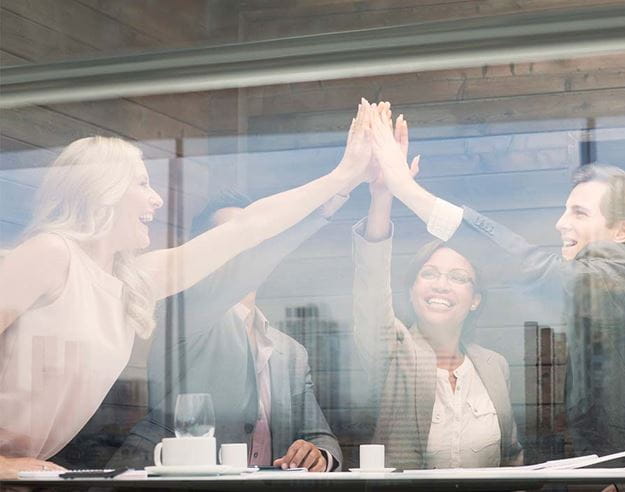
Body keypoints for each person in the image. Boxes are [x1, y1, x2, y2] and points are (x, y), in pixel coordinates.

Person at [0, 100, 373, 477]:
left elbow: (249, 228)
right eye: (142, 183)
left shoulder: (134, 281)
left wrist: (343, 178)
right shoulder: (50, 253)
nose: (156, 199)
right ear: (103, 189)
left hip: (31, 473)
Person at [368, 110, 625, 466]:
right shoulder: (614, 285)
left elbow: (529, 267)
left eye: (579, 213)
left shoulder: (623, 273)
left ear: (621, 232)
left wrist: (405, 189)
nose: (560, 223)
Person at [109, 191, 342, 472]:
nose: (240, 249)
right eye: (229, 240)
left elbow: (321, 438)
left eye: (250, 239)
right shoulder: (185, 315)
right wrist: (320, 211)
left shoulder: (291, 353)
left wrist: (317, 454)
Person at [353, 103, 523, 470]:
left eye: (458, 277)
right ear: (412, 289)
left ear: (475, 300)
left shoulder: (494, 366)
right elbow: (370, 293)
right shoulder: (393, 354)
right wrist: (382, 196)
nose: (442, 285)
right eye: (429, 273)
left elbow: (511, 458)